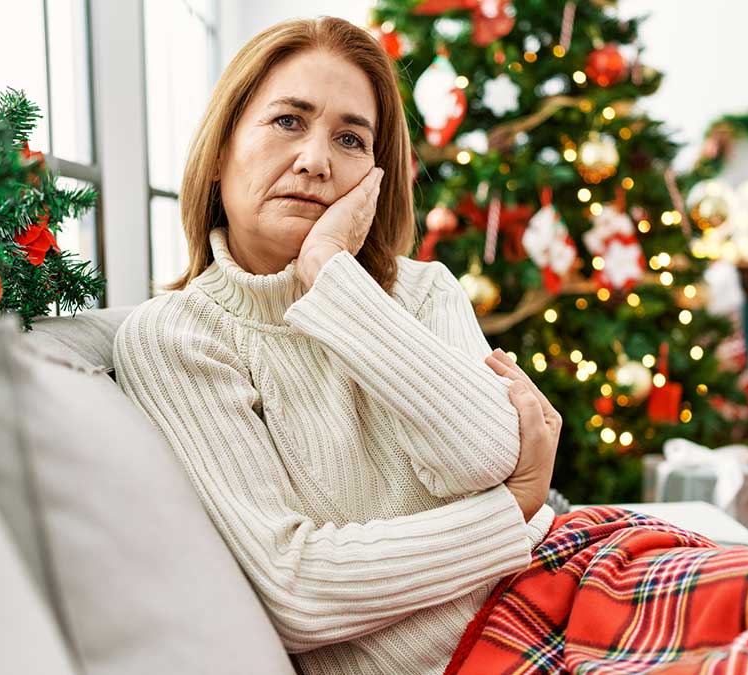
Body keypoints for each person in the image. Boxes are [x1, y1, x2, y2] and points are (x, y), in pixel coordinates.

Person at [113, 16, 559, 675]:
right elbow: (297, 589)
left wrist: (332, 278)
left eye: (350, 137)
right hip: (494, 653)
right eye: (288, 121)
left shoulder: (422, 291)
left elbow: (484, 457)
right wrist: (511, 512)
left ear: (374, 175)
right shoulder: (177, 338)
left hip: (569, 576)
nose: (316, 160)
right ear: (218, 155)